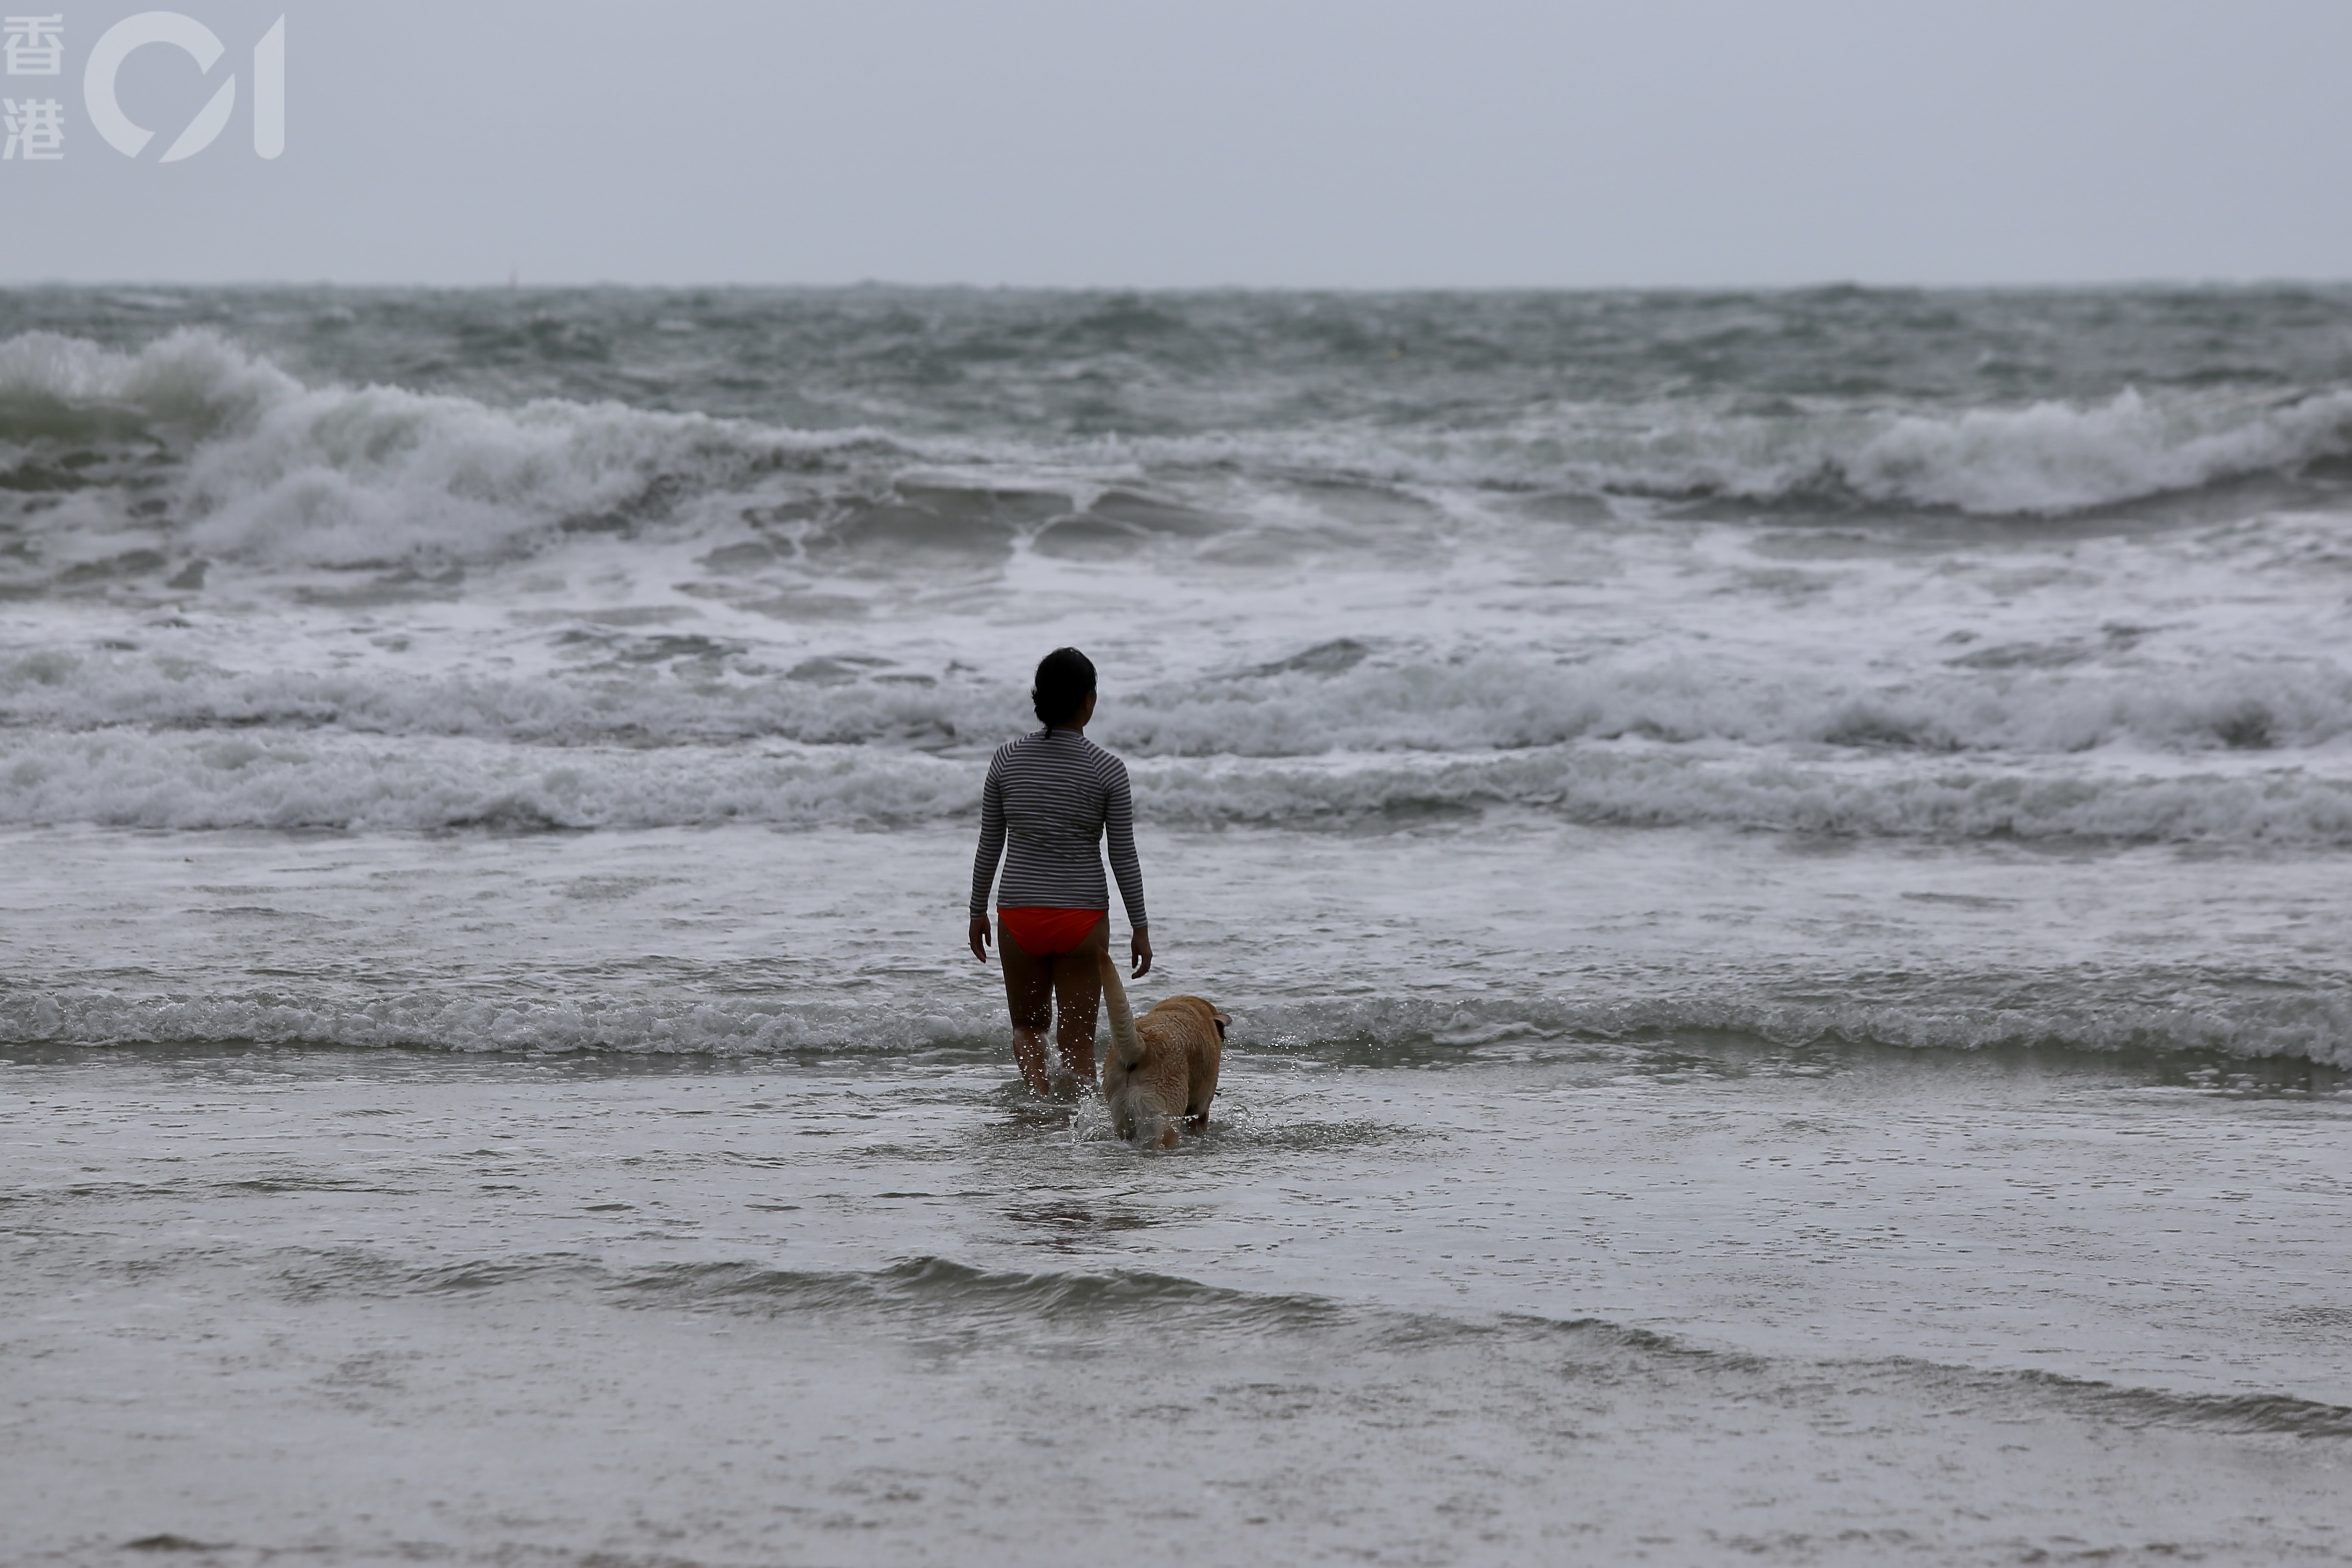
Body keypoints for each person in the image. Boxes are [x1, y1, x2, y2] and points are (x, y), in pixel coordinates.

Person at [967, 647, 1152, 1097]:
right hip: (1082, 919)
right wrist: (1141, 927)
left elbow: (990, 843)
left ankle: (1039, 1105)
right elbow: (1123, 856)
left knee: (1029, 1027)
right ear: (1089, 700)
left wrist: (977, 911)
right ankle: (1076, 1119)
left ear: (1040, 699)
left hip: (1019, 914)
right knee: (1077, 1042)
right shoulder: (1108, 769)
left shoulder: (1006, 760)